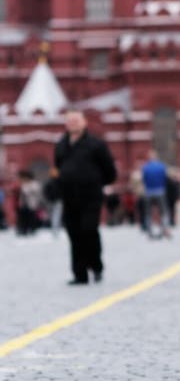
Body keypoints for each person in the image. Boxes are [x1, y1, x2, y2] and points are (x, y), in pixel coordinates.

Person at [54, 110, 117, 285]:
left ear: (84, 122)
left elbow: (110, 170)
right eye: (70, 120)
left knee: (89, 229)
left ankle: (96, 266)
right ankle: (79, 274)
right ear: (65, 124)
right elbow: (58, 168)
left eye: (76, 120)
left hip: (91, 197)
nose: (73, 123)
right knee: (73, 233)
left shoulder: (96, 145)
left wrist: (96, 182)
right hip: (69, 197)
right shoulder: (61, 145)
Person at [141, 149, 171, 238]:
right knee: (164, 211)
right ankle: (165, 228)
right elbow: (165, 178)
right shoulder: (162, 166)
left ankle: (150, 230)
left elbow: (144, 179)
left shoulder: (145, 167)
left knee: (148, 212)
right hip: (160, 190)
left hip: (149, 191)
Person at [15, 169, 43, 235]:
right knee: (23, 217)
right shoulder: (23, 184)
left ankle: (32, 229)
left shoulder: (34, 184)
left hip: (32, 203)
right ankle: (23, 229)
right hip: (24, 205)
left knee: (31, 217)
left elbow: (37, 193)